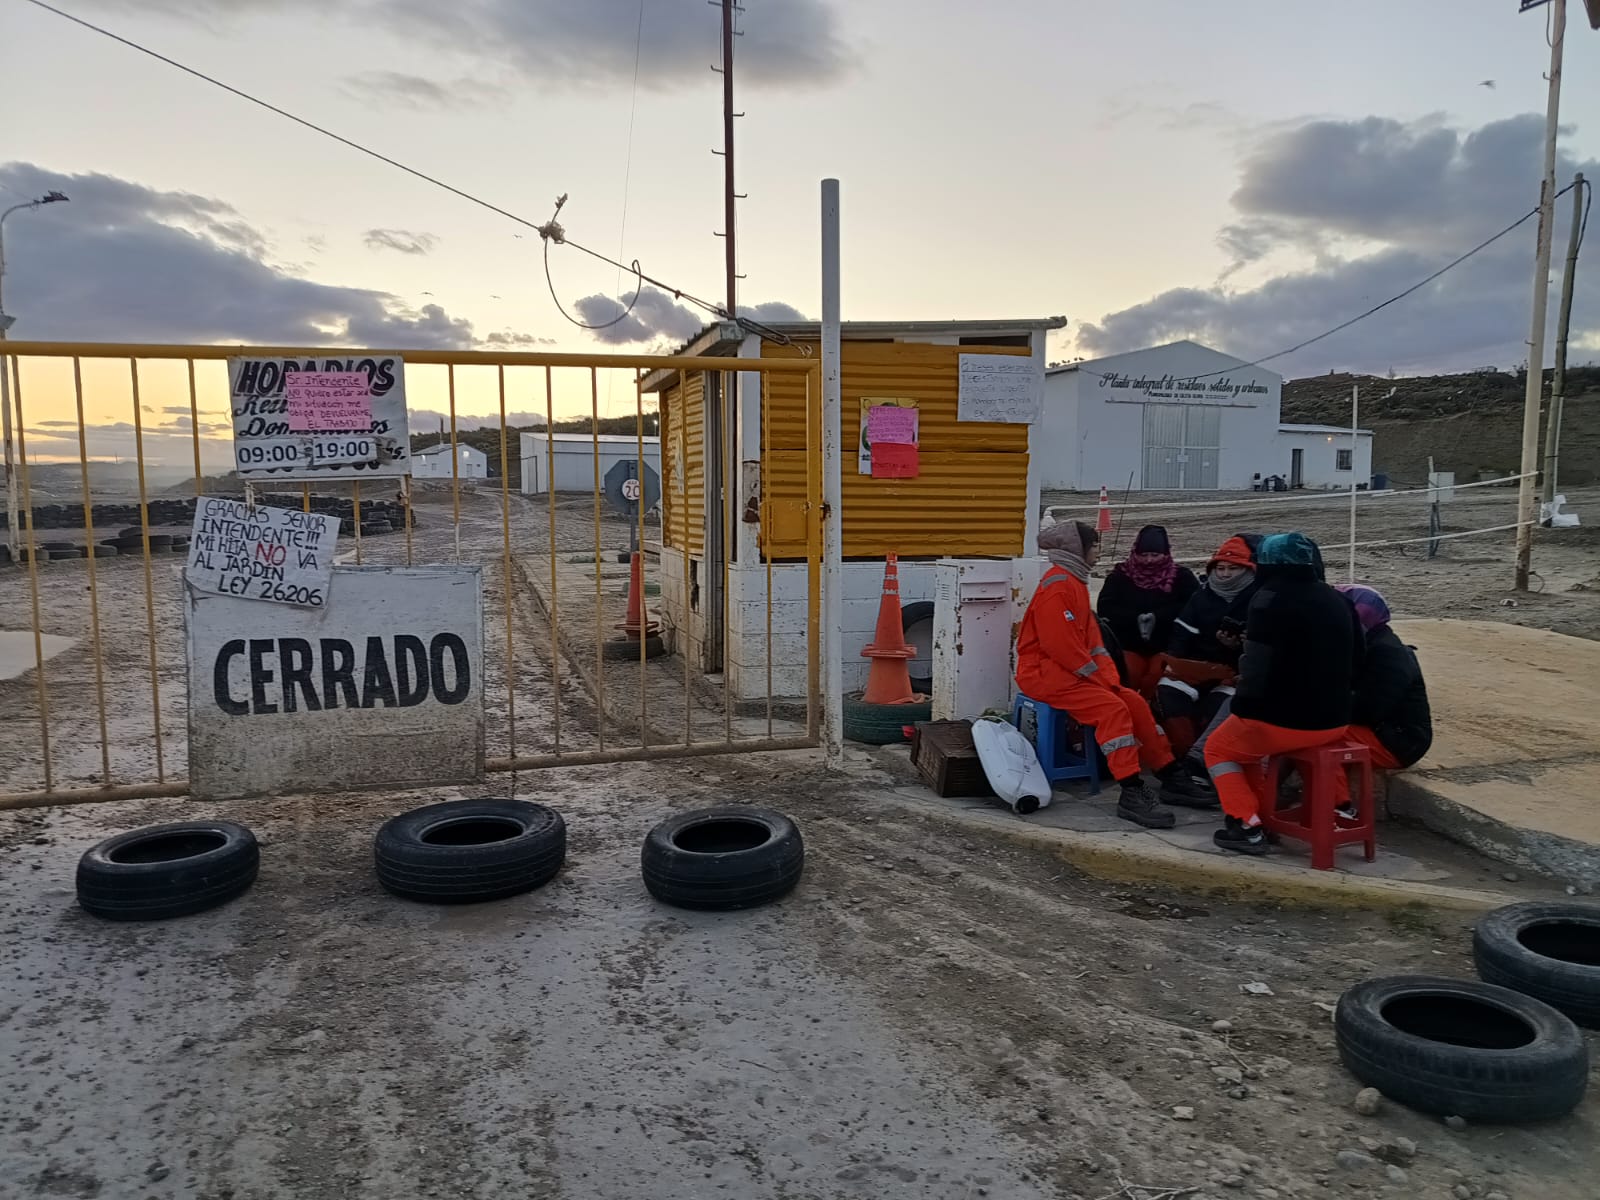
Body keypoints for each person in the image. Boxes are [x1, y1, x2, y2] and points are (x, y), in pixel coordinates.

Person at [1016, 521, 1212, 829]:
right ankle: (1131, 790)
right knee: (1113, 710)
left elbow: (1094, 645)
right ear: (1077, 550)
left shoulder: (1073, 583)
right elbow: (1063, 648)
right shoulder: (1058, 587)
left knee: (1133, 701)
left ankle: (1169, 773)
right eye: (1094, 546)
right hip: (1045, 674)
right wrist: (1099, 682)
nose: (1098, 552)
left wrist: (1109, 680)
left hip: (1068, 674)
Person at [1204, 532, 1364, 854]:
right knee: (1243, 748)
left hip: (1284, 720)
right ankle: (1260, 817)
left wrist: (1243, 707)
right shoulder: (1339, 599)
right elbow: (1359, 660)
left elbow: (1257, 665)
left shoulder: (1269, 598)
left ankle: (1245, 825)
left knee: (1218, 749)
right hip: (1335, 720)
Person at [1156, 536, 1259, 758]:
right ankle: (1184, 754)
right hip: (1196, 667)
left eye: (1233, 568)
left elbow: (1262, 648)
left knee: (1218, 704)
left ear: (1248, 569)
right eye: (1220, 567)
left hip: (1234, 671)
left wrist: (1235, 646)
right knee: (1168, 692)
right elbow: (1181, 634)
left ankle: (1207, 757)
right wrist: (1173, 662)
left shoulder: (1257, 599)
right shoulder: (1201, 596)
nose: (1225, 574)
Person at [1336, 584, 1433, 773]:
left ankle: (1337, 801)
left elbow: (1369, 710)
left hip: (1398, 743)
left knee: (1314, 735)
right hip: (1381, 730)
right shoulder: (1367, 643)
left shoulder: (1388, 655)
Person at [1096, 525, 1200, 699]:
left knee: (1156, 678)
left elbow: (1192, 607)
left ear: (1166, 554)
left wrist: (1157, 618)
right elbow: (1106, 607)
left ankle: (1154, 716)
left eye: (1155, 555)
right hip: (1128, 644)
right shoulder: (1120, 575)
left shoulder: (1183, 577)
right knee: (1128, 675)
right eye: (1144, 555)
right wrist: (1135, 619)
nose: (1149, 560)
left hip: (1167, 645)